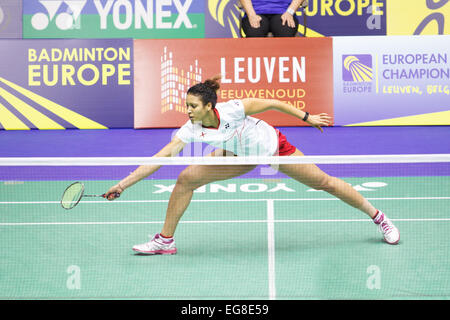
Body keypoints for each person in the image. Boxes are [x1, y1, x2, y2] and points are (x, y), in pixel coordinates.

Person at [105, 76, 400, 255]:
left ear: (209, 106)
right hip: (236, 155)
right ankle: (165, 241)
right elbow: (159, 159)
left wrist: (307, 117)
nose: (188, 111)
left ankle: (378, 217)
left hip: (271, 148)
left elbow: (272, 102)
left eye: (193, 106)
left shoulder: (233, 110)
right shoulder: (191, 129)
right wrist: (122, 185)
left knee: (325, 183)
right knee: (186, 178)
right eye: (187, 106)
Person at [240, 0, 306, 37]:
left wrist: (290, 12)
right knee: (254, 33)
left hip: (284, 12)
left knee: (285, 33)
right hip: (255, 12)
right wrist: (251, 15)